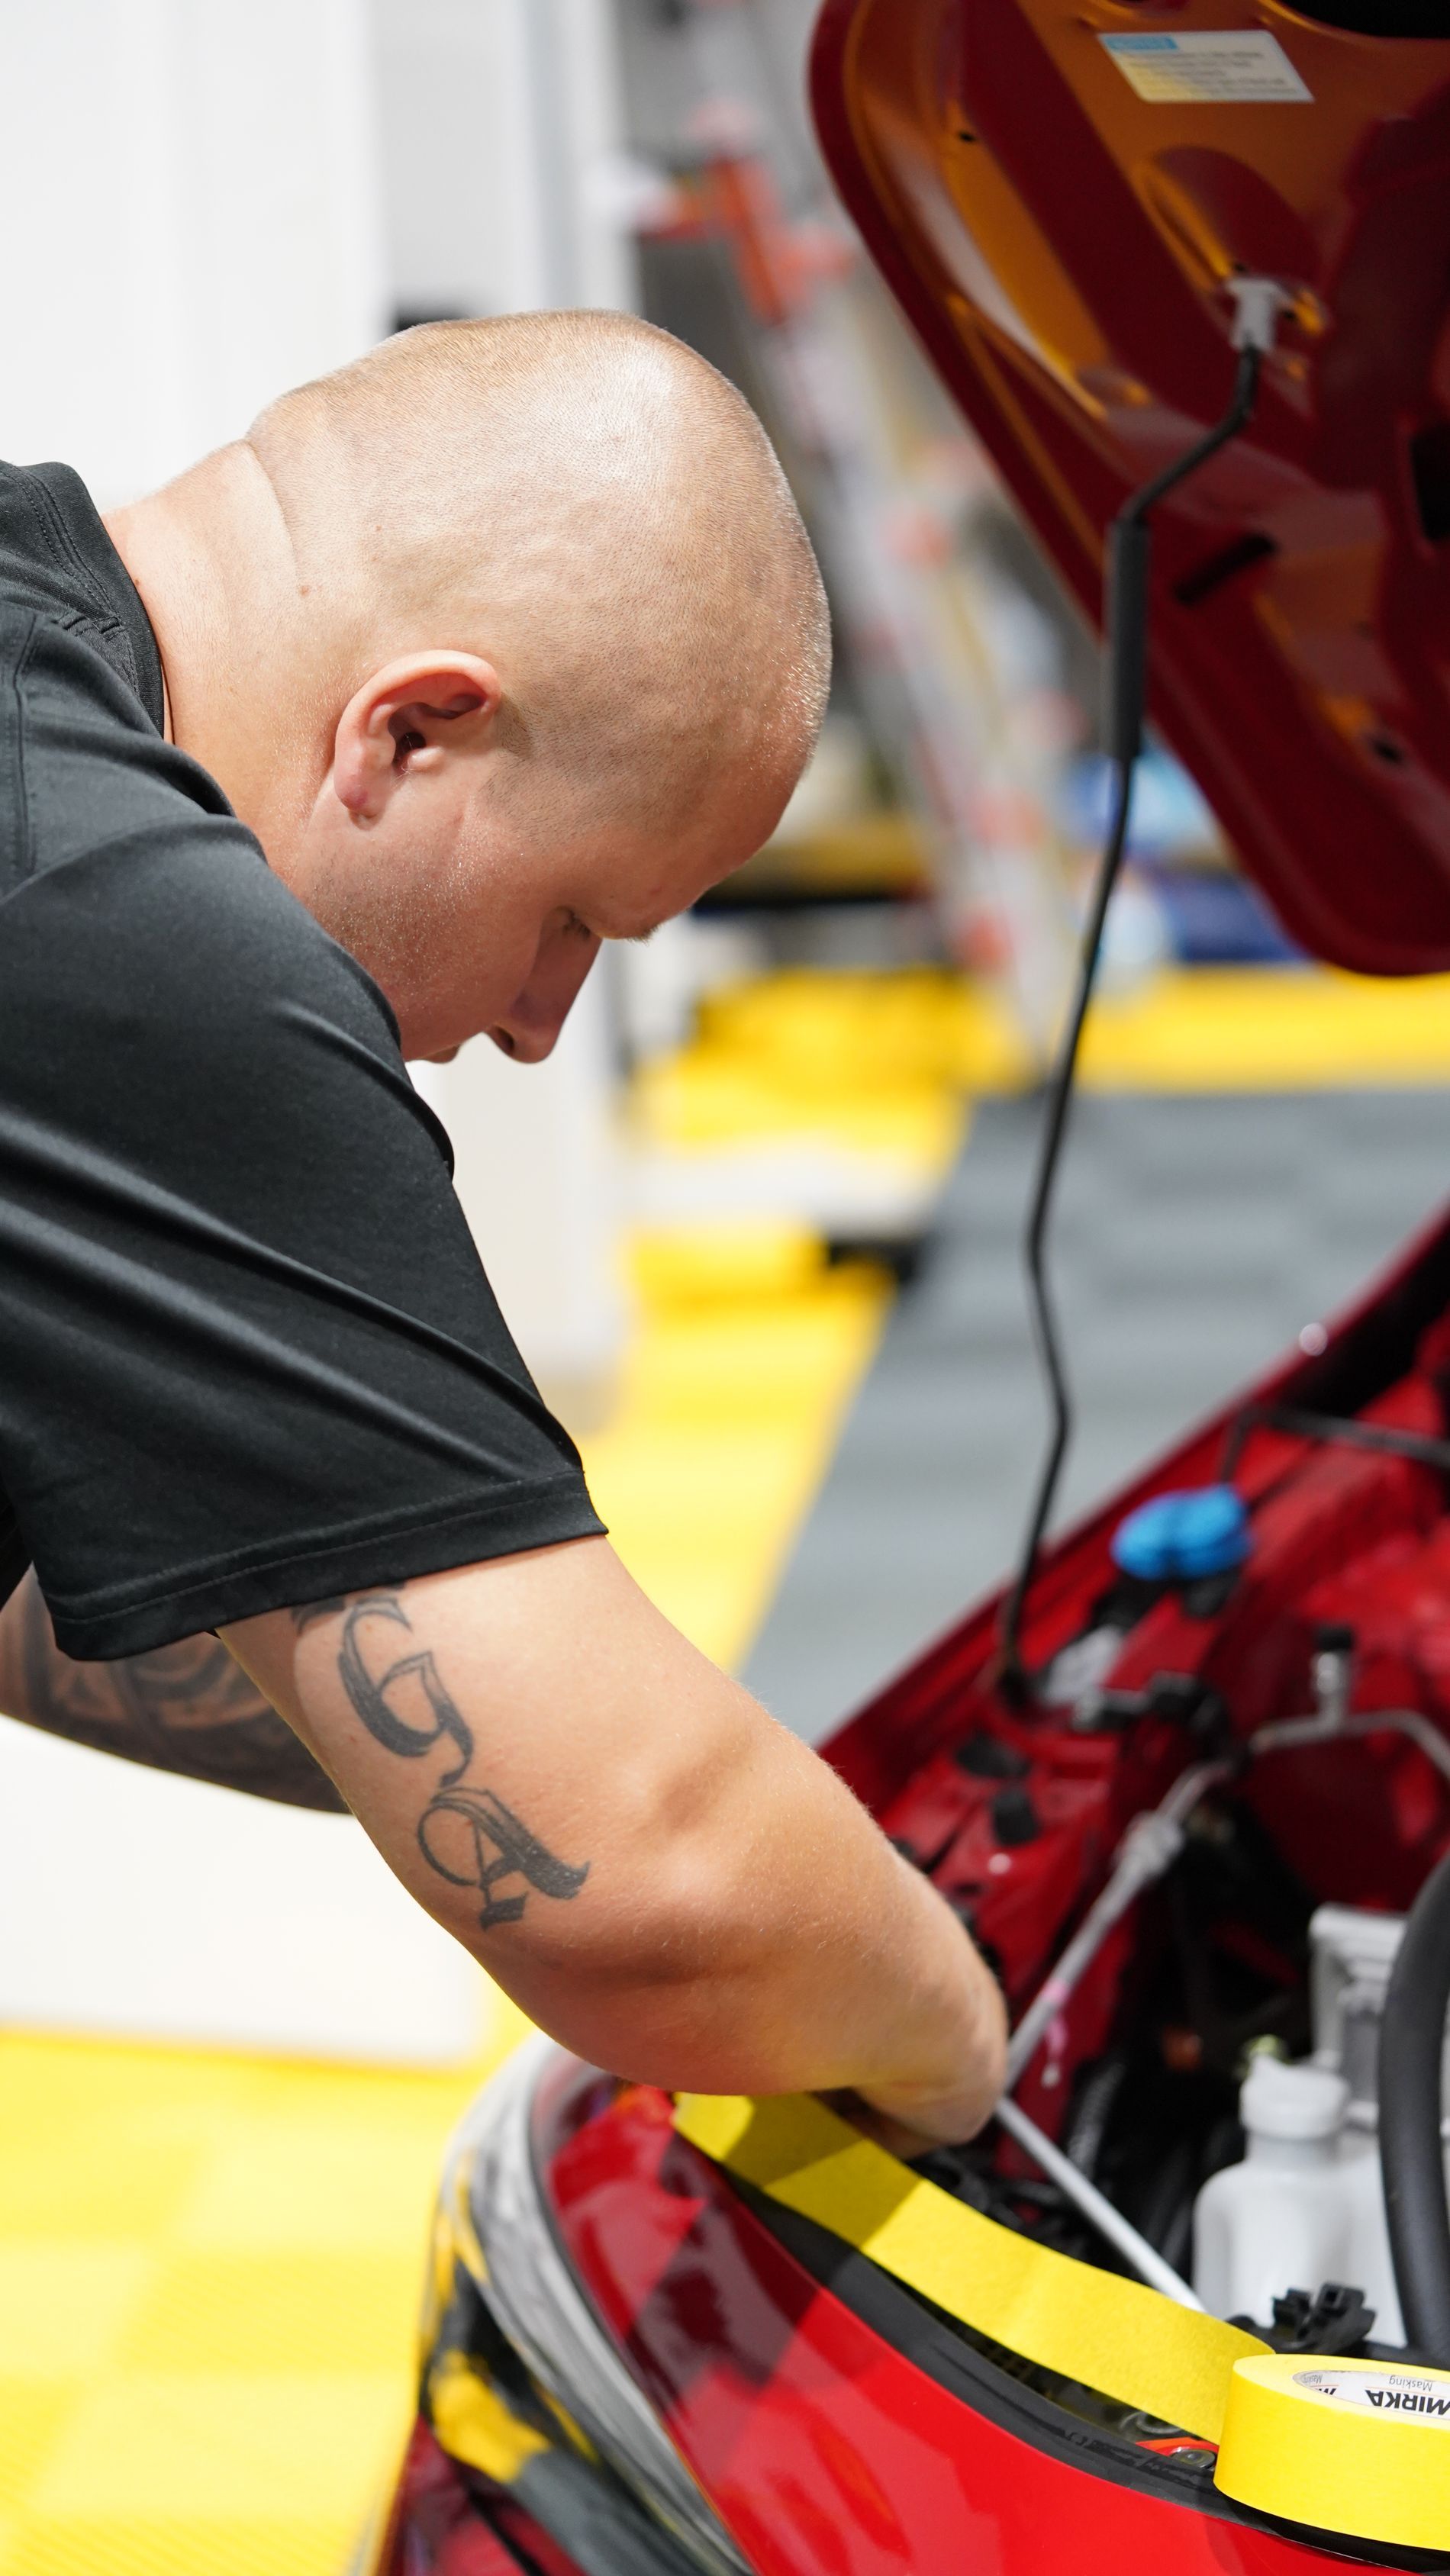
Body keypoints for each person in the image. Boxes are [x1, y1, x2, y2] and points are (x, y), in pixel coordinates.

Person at [0, 311, 1004, 2143]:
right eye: (574, 922)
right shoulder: (117, 922)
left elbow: (33, 1598)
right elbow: (645, 1894)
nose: (542, 1026)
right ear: (414, 727)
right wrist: (953, 2027)